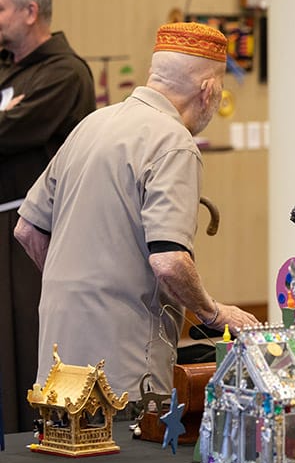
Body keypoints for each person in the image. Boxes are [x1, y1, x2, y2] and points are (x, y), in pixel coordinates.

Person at [14, 22, 259, 400]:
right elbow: (170, 262)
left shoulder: (91, 124)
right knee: (125, 458)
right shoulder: (173, 141)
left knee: (61, 452)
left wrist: (77, 289)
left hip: (57, 352)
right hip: (121, 363)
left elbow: (27, 229)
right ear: (208, 90)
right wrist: (214, 313)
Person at [0, 0, 95, 433]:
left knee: (24, 346)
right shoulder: (8, 68)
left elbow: (11, 133)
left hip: (30, 232)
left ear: (30, 12)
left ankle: (28, 443)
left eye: (0, 9)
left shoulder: (63, 73)